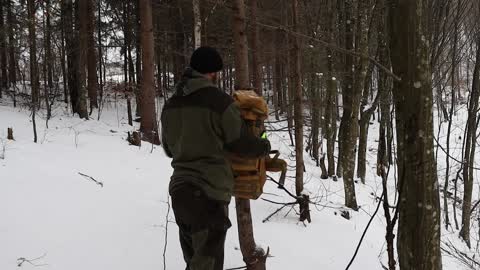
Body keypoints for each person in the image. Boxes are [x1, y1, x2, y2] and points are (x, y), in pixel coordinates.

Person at [161, 46, 271, 270]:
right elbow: (241, 144)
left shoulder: (171, 104)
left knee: (194, 262)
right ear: (212, 73)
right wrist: (264, 145)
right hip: (208, 194)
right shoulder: (219, 102)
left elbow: (169, 149)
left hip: (180, 192)